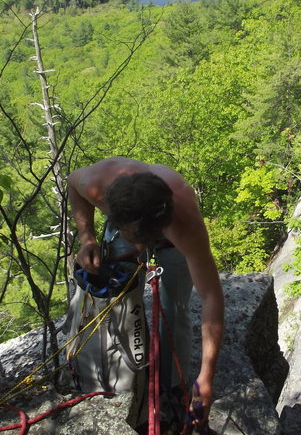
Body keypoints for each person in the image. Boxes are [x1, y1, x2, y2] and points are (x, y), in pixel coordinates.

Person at [67, 156, 224, 425]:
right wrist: (87, 239)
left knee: (177, 309)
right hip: (128, 220)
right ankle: (124, 373)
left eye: (143, 242)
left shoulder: (183, 220)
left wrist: (205, 378)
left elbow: (211, 296)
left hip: (170, 238)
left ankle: (172, 391)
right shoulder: (98, 183)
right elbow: (72, 183)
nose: (139, 249)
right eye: (135, 240)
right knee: (116, 294)